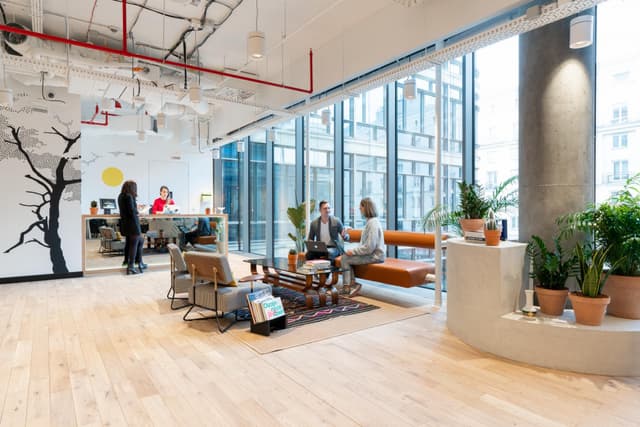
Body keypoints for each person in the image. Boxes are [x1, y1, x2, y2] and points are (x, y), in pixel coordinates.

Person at [340, 197, 385, 297]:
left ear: (366, 208)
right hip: (371, 254)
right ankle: (349, 286)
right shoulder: (370, 222)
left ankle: (351, 285)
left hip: (375, 256)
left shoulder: (373, 223)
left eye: (361, 207)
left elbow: (369, 247)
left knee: (345, 259)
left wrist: (353, 252)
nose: (360, 209)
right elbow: (365, 242)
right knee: (346, 257)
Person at [118, 180, 146, 274]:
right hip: (132, 224)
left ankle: (136, 262)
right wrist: (139, 211)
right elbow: (131, 211)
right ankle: (131, 265)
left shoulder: (120, 196)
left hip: (125, 224)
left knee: (136, 241)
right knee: (134, 244)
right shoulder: (129, 196)